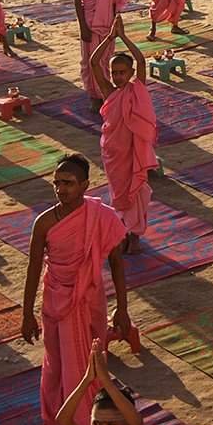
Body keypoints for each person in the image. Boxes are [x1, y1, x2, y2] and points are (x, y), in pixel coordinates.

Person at [21, 156, 136, 425]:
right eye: (56, 182)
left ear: (85, 185)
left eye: (68, 183)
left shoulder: (102, 216)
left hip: (90, 301)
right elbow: (33, 268)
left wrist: (122, 310)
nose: (60, 189)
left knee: (93, 365)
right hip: (55, 302)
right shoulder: (44, 222)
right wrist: (26, 313)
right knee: (55, 367)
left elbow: (116, 264)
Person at [89, 23, 158, 254]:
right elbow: (93, 63)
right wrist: (109, 38)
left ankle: (135, 234)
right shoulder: (110, 92)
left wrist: (124, 38)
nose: (118, 76)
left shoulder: (136, 89)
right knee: (118, 193)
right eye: (114, 72)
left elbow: (140, 61)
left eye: (122, 72)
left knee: (135, 190)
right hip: (112, 152)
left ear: (129, 73)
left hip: (132, 151)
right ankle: (122, 231)